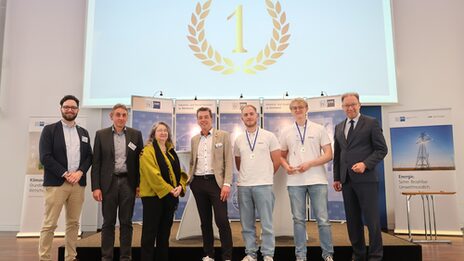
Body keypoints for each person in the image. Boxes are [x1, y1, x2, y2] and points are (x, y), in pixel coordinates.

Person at [333, 92, 388, 261]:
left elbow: (382, 150)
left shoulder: (371, 123)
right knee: (353, 221)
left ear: (359, 105)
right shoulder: (339, 126)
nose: (350, 108)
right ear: (342, 107)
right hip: (347, 180)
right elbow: (339, 154)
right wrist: (337, 177)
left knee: (372, 221)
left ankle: (376, 256)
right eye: (346, 105)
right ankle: (358, 255)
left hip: (367, 180)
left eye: (353, 104)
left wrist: (365, 164)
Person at [38, 95, 93, 261]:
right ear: (61, 108)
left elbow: (89, 157)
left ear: (77, 110)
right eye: (67, 107)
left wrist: (80, 172)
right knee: (50, 224)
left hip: (78, 184)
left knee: (73, 224)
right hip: (57, 183)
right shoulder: (49, 130)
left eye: (73, 107)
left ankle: (71, 257)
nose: (70, 110)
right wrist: (65, 173)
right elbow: (45, 157)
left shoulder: (83, 132)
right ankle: (45, 258)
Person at [280, 98, 334, 261]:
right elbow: (282, 156)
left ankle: (327, 254)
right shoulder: (286, 131)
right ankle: (300, 255)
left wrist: (310, 163)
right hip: (295, 182)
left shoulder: (319, 129)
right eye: (294, 108)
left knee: (323, 220)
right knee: (298, 220)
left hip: (317, 179)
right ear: (291, 111)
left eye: (300, 107)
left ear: (307, 109)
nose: (298, 110)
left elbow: (328, 154)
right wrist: (286, 166)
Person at [91, 103, 143, 261]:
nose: (121, 118)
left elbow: (140, 163)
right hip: (108, 184)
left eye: (124, 115)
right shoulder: (101, 135)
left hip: (128, 183)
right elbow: (96, 163)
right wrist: (96, 187)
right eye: (118, 114)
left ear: (127, 117)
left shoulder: (136, 135)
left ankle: (125, 257)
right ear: (111, 116)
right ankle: (107, 256)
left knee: (126, 222)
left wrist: (140, 185)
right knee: (108, 223)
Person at [234, 105, 281, 261]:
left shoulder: (269, 136)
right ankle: (251, 253)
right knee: (247, 224)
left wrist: (265, 175)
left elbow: (276, 160)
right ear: (242, 118)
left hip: (264, 185)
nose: (249, 116)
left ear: (257, 115)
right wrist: (249, 176)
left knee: (267, 223)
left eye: (251, 114)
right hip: (244, 186)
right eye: (245, 114)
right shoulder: (239, 139)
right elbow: (238, 162)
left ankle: (268, 254)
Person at [188, 107, 233, 261]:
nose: (203, 120)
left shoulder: (223, 136)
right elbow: (192, 162)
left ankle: (227, 256)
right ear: (197, 120)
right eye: (200, 117)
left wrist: (227, 183)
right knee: (205, 222)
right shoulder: (194, 139)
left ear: (211, 118)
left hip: (217, 183)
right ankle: (209, 254)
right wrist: (190, 181)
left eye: (206, 117)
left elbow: (229, 161)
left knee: (221, 220)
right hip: (198, 183)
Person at [139, 122, 188, 261]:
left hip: (169, 198)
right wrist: (170, 190)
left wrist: (180, 186)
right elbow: (152, 175)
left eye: (165, 130)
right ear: (153, 134)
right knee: (149, 235)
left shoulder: (170, 151)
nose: (163, 133)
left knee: (164, 235)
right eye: (159, 130)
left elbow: (180, 172)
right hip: (153, 198)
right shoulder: (147, 151)